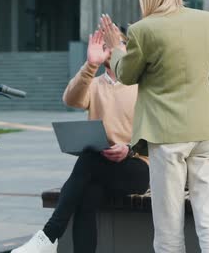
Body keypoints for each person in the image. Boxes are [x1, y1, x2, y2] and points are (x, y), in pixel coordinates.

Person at [101, 0, 209, 253]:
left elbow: (125, 74)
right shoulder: (205, 20)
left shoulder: (142, 30)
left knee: (168, 232)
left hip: (167, 136)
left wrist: (116, 48)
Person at [11, 29, 149, 253]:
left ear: (127, 48)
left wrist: (130, 149)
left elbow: (157, 133)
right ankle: (48, 239)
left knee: (88, 160)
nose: (109, 48)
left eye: (116, 43)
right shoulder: (94, 84)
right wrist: (90, 65)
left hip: (138, 167)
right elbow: (70, 99)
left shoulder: (141, 84)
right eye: (105, 44)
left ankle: (48, 236)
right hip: (101, 167)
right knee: (87, 195)